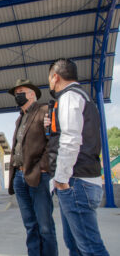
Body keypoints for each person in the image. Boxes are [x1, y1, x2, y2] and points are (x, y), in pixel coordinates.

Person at [46, 58, 109, 256]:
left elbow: (71, 139)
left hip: (75, 182)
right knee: (75, 245)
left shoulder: (69, 97)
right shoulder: (84, 97)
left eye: (49, 78)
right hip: (81, 180)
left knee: (90, 248)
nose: (49, 82)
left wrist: (61, 179)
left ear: (55, 77)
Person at [8, 79, 58, 256]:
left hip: (38, 177)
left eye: (20, 91)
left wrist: (43, 167)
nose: (17, 95)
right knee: (30, 225)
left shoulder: (45, 110)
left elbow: (53, 142)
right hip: (19, 178)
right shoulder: (19, 119)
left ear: (32, 93)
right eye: (16, 93)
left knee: (45, 226)